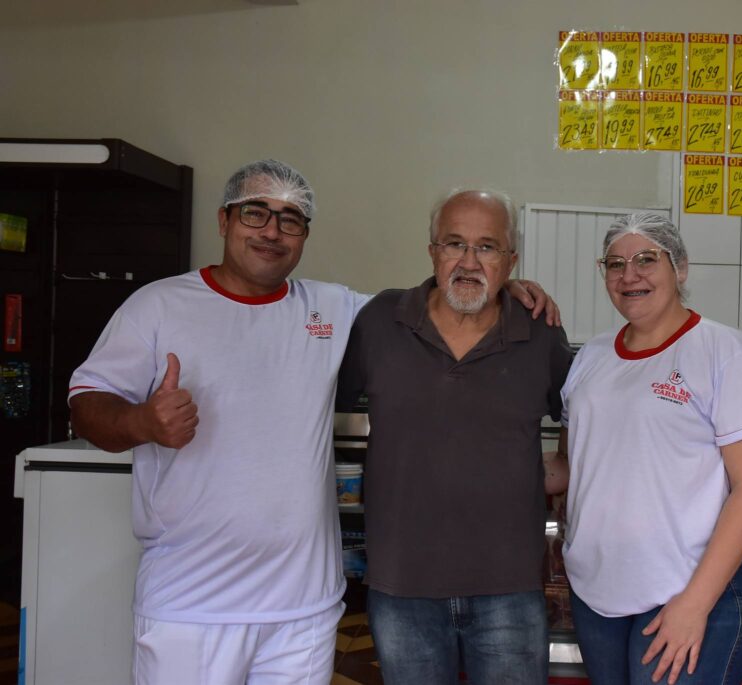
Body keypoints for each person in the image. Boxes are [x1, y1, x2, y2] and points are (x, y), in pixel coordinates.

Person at [67, 161, 557, 685]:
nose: (272, 231)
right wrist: (141, 421)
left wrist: (507, 287)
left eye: (291, 219)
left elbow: (454, 302)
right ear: (224, 220)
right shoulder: (158, 305)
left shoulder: (334, 310)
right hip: (192, 601)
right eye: (256, 213)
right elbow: (86, 404)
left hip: (303, 609)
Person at [336, 188, 574, 684]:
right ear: (432, 253)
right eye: (453, 244)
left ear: (511, 261)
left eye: (487, 247)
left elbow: (580, 413)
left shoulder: (540, 331)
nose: (468, 261)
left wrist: (561, 471)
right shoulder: (380, 321)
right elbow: (317, 401)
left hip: (509, 588)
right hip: (402, 588)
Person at [554, 212, 742, 685]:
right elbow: (568, 466)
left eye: (646, 259)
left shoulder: (725, 351)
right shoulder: (591, 358)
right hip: (597, 595)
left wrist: (694, 605)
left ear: (679, 267)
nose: (629, 275)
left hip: (690, 593)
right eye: (615, 264)